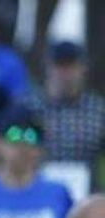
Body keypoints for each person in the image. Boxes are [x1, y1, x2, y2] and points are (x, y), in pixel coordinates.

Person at [32, 40, 104, 205]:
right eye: (59, 65)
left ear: (83, 68)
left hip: (88, 195)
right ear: (48, 67)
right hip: (39, 191)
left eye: (71, 66)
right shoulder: (29, 107)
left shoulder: (98, 110)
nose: (65, 73)